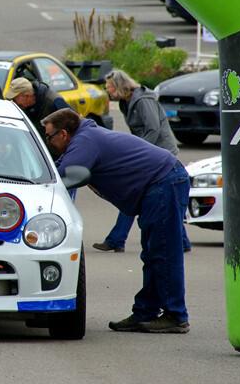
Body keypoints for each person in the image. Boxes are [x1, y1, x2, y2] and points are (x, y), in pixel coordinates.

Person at [42, 108, 190, 333]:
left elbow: (60, 177)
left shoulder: (85, 141)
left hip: (164, 182)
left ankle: (176, 316)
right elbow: (56, 166)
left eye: (49, 136)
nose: (48, 141)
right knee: (153, 254)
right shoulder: (84, 139)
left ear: (63, 134)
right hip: (161, 182)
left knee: (163, 253)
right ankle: (145, 312)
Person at [93, 70, 191, 254]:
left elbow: (153, 128)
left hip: (160, 153)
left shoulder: (143, 100)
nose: (108, 91)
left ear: (119, 86)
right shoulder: (126, 102)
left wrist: (139, 153)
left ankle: (116, 239)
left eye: (110, 87)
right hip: (150, 153)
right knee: (137, 194)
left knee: (134, 193)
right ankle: (181, 241)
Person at [4, 77, 70, 141]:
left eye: (15, 98)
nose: (14, 102)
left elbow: (72, 127)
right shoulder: (23, 106)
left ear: (26, 96)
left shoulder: (54, 101)